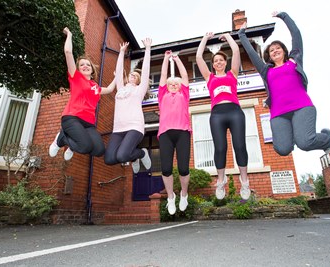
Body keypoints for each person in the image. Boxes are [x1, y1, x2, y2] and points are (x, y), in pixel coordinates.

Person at [238, 11, 330, 157]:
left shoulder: (294, 60)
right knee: (282, 149)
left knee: (305, 143)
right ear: (268, 56)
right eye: (271, 50)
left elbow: (296, 34)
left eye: (278, 48)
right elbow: (251, 53)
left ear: (284, 51)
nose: (275, 50)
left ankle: (326, 138)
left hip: (301, 107)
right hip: (278, 113)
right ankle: (295, 134)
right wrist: (242, 34)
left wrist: (284, 16)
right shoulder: (266, 70)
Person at [196, 32, 251, 200]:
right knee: (220, 148)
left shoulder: (232, 74)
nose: (218, 62)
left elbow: (235, 51)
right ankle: (221, 179)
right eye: (215, 61)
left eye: (221, 60)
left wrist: (228, 36)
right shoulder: (209, 77)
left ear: (225, 63)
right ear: (213, 65)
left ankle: (245, 180)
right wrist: (205, 38)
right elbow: (198, 57)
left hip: (235, 112)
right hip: (217, 114)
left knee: (239, 146)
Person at [49, 27, 116, 161]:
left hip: (88, 123)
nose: (85, 66)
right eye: (82, 65)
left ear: (92, 70)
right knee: (85, 146)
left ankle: (72, 146)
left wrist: (117, 77)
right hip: (72, 118)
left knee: (99, 150)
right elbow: (68, 52)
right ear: (78, 69)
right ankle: (61, 138)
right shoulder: (75, 77)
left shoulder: (95, 87)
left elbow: (109, 89)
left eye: (88, 65)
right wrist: (69, 35)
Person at [103, 39, 152, 173]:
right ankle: (135, 157)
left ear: (139, 80)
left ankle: (141, 154)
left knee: (123, 155)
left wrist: (147, 49)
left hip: (134, 127)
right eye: (131, 74)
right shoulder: (120, 88)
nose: (132, 76)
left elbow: (146, 69)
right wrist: (121, 52)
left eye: (135, 76)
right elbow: (118, 72)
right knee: (109, 159)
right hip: (118, 128)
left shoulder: (139, 90)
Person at [158, 50, 191, 215]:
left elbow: (184, 75)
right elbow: (163, 75)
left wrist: (177, 59)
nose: (173, 84)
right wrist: (165, 59)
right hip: (165, 134)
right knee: (166, 169)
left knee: (184, 168)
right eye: (170, 83)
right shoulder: (162, 94)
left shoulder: (184, 95)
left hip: (183, 132)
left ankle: (184, 194)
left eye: (176, 83)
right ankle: (171, 197)